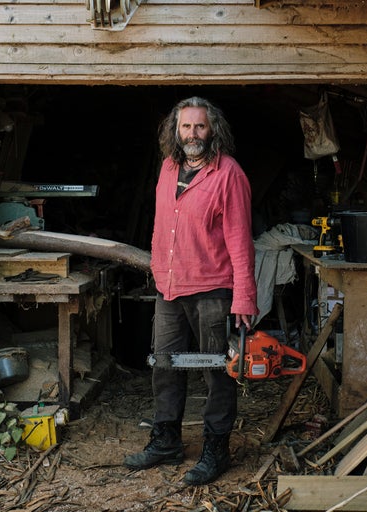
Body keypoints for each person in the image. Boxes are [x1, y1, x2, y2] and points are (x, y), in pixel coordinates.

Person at [123, 96, 259, 485]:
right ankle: (166, 441)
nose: (193, 134)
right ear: (176, 130)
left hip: (212, 289)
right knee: (164, 367)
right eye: (186, 126)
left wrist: (244, 295)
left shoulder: (229, 174)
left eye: (200, 126)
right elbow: (160, 222)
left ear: (213, 130)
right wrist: (156, 267)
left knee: (218, 372)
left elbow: (240, 240)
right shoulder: (168, 167)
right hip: (169, 287)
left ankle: (216, 450)